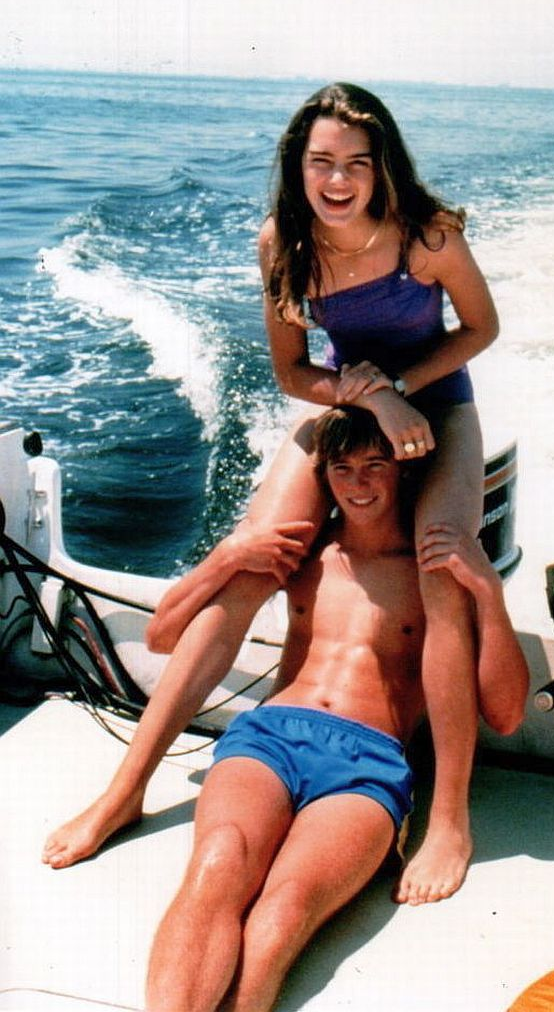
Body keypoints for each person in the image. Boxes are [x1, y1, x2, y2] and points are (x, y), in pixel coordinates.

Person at [140, 81, 501, 903]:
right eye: (321, 162)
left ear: (382, 168)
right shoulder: (283, 242)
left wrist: (398, 390)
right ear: (297, 166)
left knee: (443, 569)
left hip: (439, 407)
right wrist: (367, 398)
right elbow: (293, 372)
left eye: (356, 164)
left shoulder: (428, 236)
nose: (337, 181)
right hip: (345, 404)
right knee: (255, 561)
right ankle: (129, 785)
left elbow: (481, 329)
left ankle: (449, 818)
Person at [44, 407, 529, 1012]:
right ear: (323, 476)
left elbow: (506, 713)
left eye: (375, 466)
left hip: (367, 765)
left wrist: (487, 590)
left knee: (284, 910)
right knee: (217, 863)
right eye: (342, 469)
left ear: (403, 471)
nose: (358, 485)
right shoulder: (302, 554)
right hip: (269, 740)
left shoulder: (434, 570)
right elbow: (163, 637)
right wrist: (227, 555)